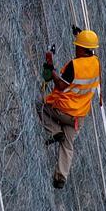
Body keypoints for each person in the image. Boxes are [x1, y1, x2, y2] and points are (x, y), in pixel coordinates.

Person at [38, 27, 100, 189]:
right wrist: (80, 35)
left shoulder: (75, 65)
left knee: (41, 106)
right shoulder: (96, 63)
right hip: (78, 117)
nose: (75, 48)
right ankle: (61, 177)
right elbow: (87, 48)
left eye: (77, 45)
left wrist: (52, 70)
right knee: (68, 145)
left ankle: (55, 131)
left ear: (81, 48)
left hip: (63, 110)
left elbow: (60, 86)